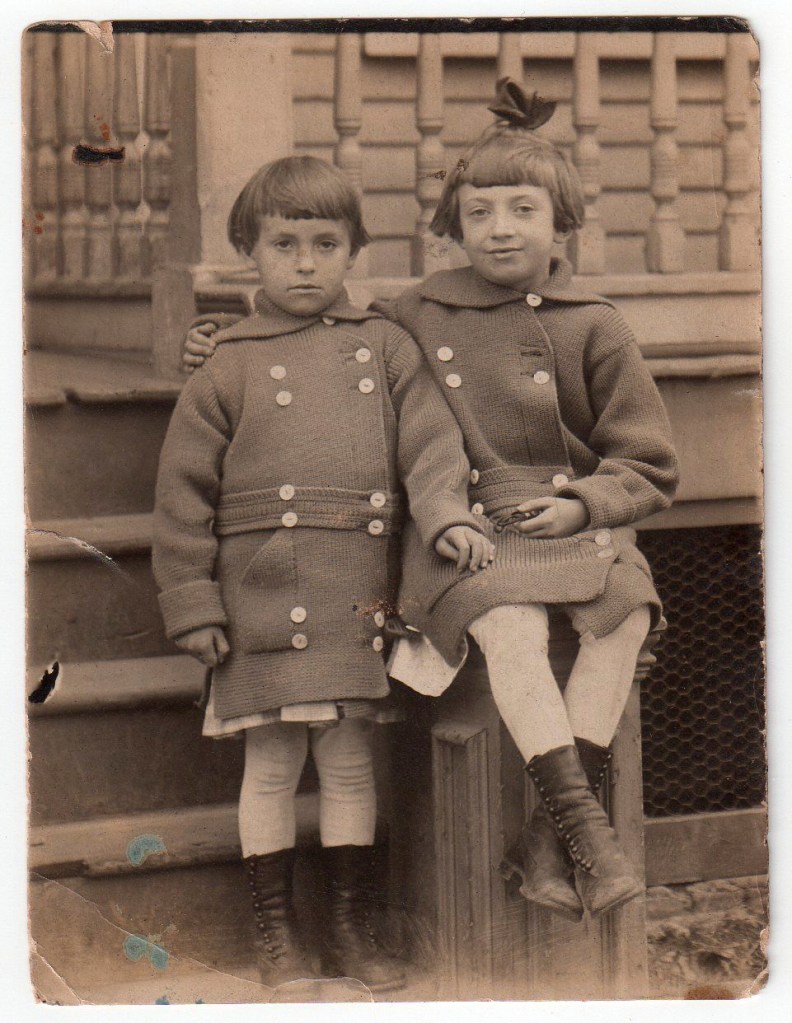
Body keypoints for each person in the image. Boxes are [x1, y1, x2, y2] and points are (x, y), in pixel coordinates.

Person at [182, 80, 680, 925]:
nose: (500, 230)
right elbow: (317, 335)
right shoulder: (411, 314)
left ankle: (560, 837)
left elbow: (651, 462)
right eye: (479, 214)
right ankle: (581, 835)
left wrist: (588, 504)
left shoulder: (596, 324)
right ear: (450, 228)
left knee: (627, 616)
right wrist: (215, 336)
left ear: (563, 226)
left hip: (569, 517)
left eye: (522, 211)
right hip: (465, 525)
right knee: (511, 626)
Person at [154, 155, 491, 991]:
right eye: (283, 243)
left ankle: (348, 925)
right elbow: (181, 493)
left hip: (355, 589)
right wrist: (193, 600)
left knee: (348, 764)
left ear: (355, 251)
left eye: (325, 243)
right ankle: (276, 931)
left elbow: (431, 446)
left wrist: (447, 513)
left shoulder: (384, 347)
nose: (305, 262)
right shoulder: (226, 361)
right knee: (269, 764)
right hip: (260, 595)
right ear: (249, 252)